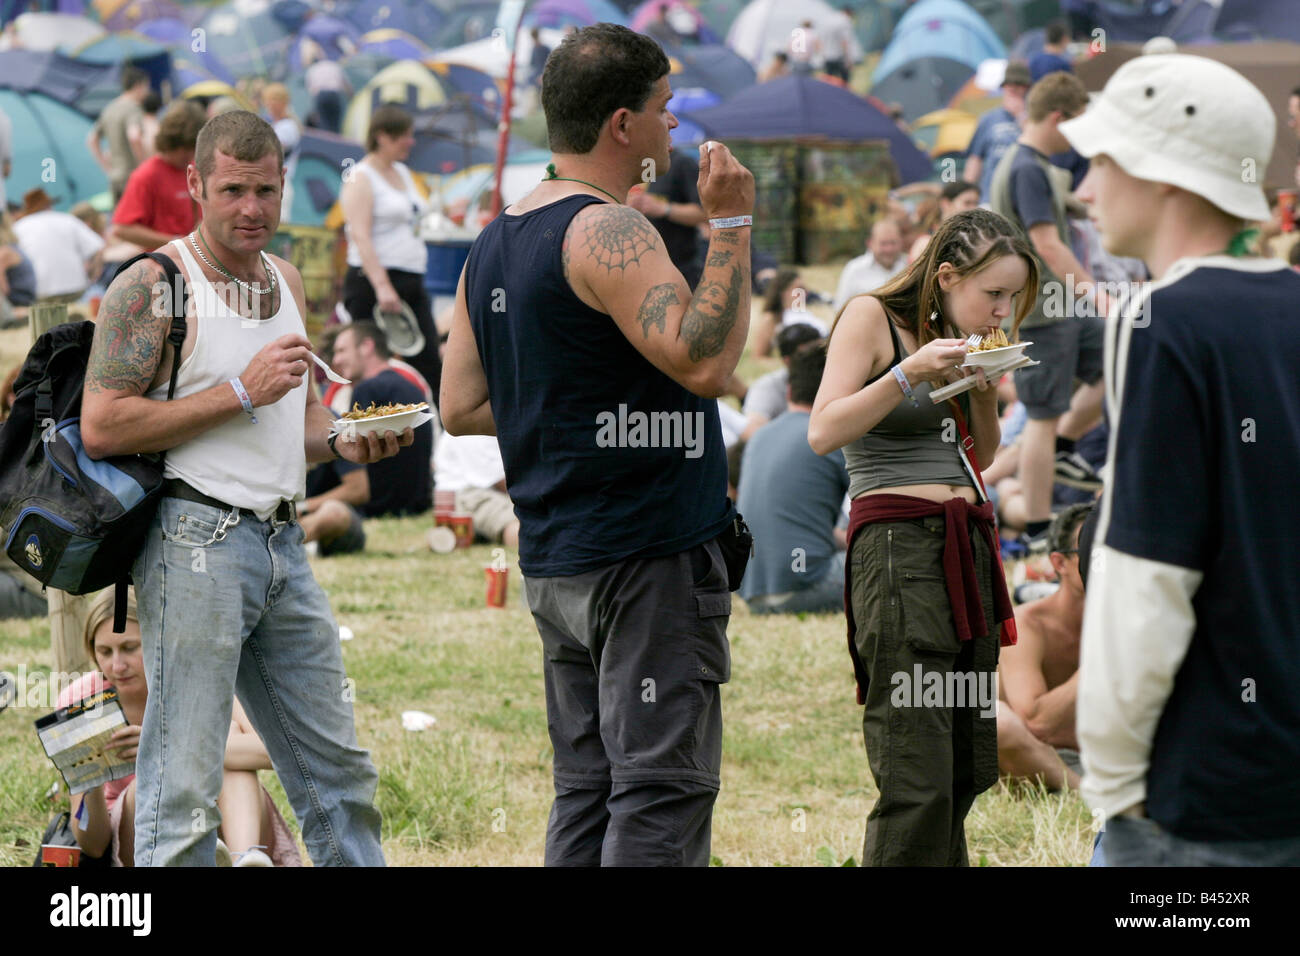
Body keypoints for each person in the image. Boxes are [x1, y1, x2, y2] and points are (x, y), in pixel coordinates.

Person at [440, 23, 754, 867]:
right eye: (665, 107)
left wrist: (573, 419)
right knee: (658, 788)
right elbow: (706, 361)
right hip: (644, 559)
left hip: (556, 557)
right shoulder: (609, 232)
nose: (674, 127)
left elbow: (461, 403)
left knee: (587, 788)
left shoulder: (495, 239)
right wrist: (731, 227)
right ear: (623, 125)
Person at [79, 109, 411, 866]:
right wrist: (240, 390)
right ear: (195, 184)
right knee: (183, 784)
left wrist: (355, 437)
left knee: (338, 769)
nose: (252, 208)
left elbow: (303, 425)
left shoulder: (287, 280)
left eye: (266, 190)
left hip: (283, 542)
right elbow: (102, 424)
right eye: (232, 190)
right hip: (193, 544)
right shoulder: (153, 284)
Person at [1063, 54, 1300, 866]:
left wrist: (1115, 780)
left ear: (1160, 174)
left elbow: (1145, 573)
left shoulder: (1159, 318)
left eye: (1100, 161)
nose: (1084, 191)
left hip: (1197, 790)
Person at [808, 208, 1037, 866]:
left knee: (966, 761)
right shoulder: (871, 318)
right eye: (992, 293)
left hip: (963, 547)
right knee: (917, 770)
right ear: (945, 276)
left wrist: (986, 391)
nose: (1001, 309)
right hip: (900, 550)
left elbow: (983, 456)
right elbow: (823, 429)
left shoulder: (958, 339)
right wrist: (908, 374)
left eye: (1011, 298)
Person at [57, 588, 304, 867]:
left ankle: (246, 859)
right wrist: (89, 779)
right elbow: (92, 845)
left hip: (230, 821)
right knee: (156, 777)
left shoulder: (197, 674)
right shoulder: (81, 701)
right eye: (104, 651)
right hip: (134, 834)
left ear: (158, 640)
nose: (117, 665)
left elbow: (277, 751)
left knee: (219, 742)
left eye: (129, 647)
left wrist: (169, 747)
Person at [988, 71, 1103, 549]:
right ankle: (1037, 528)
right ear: (1057, 118)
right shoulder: (1026, 167)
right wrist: (1098, 294)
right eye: (1076, 125)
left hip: (1061, 305)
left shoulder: (1036, 163)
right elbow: (1048, 244)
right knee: (1040, 415)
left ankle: (1064, 447)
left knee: (1119, 359)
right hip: (1042, 309)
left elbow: (1068, 210)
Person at [300, 321, 433, 554]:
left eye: (341, 351)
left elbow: (358, 476)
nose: (336, 360)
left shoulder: (367, 390)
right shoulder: (412, 388)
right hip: (414, 505)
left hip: (375, 507)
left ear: (367, 347)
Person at [340, 104, 443, 400]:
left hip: (410, 279)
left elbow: (416, 215)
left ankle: (431, 432)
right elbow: (359, 234)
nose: (410, 142)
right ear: (383, 136)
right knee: (371, 364)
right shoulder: (360, 177)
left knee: (427, 362)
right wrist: (383, 287)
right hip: (373, 283)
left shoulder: (402, 172)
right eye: (404, 137)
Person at [738, 341, 848, 614]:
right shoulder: (831, 437)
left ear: (789, 390)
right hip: (807, 586)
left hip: (753, 594)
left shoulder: (759, 436)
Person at [996, 503, 1092, 791]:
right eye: (1090, 552)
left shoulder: (1134, 617)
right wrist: (1101, 662)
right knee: (994, 720)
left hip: (1116, 755)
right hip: (1045, 757)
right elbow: (1036, 723)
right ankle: (1082, 794)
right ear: (1059, 563)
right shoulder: (1028, 624)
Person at [111, 100, 207, 252]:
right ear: (172, 142)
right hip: (165, 264)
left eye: (194, 148)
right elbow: (122, 229)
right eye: (186, 148)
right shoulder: (146, 175)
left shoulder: (195, 168)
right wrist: (176, 242)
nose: (190, 154)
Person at [627, 151, 707, 289]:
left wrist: (664, 209)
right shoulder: (643, 163)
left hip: (680, 270)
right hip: (639, 269)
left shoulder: (682, 163)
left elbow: (705, 214)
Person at [12, 189, 105, 302]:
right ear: (49, 205)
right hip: (75, 288)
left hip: (39, 291)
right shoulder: (68, 220)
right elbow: (98, 248)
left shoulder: (18, 227)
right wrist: (92, 278)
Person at [432, 433, 520, 549]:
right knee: (516, 523)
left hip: (481, 491)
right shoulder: (474, 428)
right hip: (469, 494)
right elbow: (499, 479)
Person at [963, 60, 1031, 206]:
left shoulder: (1033, 120)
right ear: (1004, 87)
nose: (1015, 89)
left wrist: (1021, 117)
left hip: (1022, 199)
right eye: (1011, 84)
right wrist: (967, 192)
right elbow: (975, 159)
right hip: (991, 198)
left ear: (1026, 88)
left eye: (1020, 85)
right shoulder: (989, 119)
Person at [741, 320, 822, 438]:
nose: (817, 359)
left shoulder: (836, 380)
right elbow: (754, 429)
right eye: (806, 356)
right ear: (787, 360)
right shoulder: (767, 387)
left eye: (819, 352)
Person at [87, 66, 150, 204]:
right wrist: (144, 166)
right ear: (138, 86)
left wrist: (106, 167)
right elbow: (134, 136)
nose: (147, 92)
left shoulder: (110, 108)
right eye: (146, 87)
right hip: (131, 176)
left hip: (114, 177)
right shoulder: (133, 108)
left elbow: (92, 139)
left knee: (119, 220)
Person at [832, 219, 905, 312]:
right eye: (883, 244)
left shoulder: (909, 268)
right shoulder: (854, 269)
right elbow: (839, 309)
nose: (889, 249)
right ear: (870, 243)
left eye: (893, 243)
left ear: (901, 242)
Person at [754, 267, 823, 356]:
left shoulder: (807, 314)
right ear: (783, 292)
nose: (805, 293)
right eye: (799, 288)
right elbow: (759, 357)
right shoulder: (771, 319)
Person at [908, 180, 981, 262]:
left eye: (976, 203)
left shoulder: (975, 238)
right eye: (967, 203)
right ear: (946, 204)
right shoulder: (925, 242)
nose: (973, 209)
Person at [261, 83, 301, 221]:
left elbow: (269, 149)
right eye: (268, 101)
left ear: (283, 103)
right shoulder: (277, 125)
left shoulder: (289, 127)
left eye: (273, 100)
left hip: (283, 183)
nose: (269, 105)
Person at [305, 56, 351, 133]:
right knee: (336, 122)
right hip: (334, 95)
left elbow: (311, 90)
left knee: (323, 122)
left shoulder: (312, 69)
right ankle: (336, 140)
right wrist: (351, 98)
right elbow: (346, 85)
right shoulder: (335, 66)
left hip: (321, 95)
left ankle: (325, 141)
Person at [821, 6, 860, 84]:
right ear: (850, 13)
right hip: (840, 57)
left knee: (829, 82)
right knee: (844, 83)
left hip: (828, 56)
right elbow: (845, 42)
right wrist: (848, 59)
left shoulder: (829, 20)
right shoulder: (845, 22)